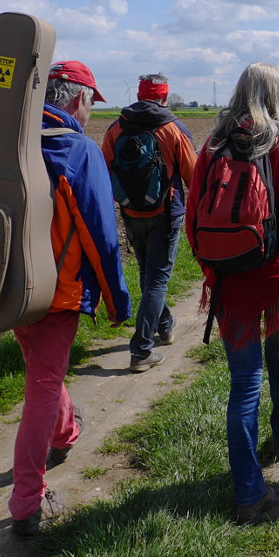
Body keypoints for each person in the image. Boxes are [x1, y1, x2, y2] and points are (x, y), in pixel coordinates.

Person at [185, 62, 279, 523]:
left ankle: (248, 493)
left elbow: (193, 220)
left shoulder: (211, 146)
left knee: (243, 384)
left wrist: (215, 271)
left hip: (233, 285)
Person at [10, 60, 131, 536]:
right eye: (90, 103)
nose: (90, 113)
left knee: (42, 370)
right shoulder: (77, 149)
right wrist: (118, 303)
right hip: (56, 295)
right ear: (77, 100)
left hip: (10, 288)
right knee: (41, 384)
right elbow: (101, 236)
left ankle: (65, 433)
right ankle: (27, 503)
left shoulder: (11, 144)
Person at [102, 74, 197, 372]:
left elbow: (104, 171)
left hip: (131, 213)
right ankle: (142, 349)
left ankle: (165, 324)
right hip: (166, 213)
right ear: (164, 96)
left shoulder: (116, 128)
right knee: (157, 279)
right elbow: (193, 176)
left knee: (148, 273)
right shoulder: (172, 128)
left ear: (140, 95)